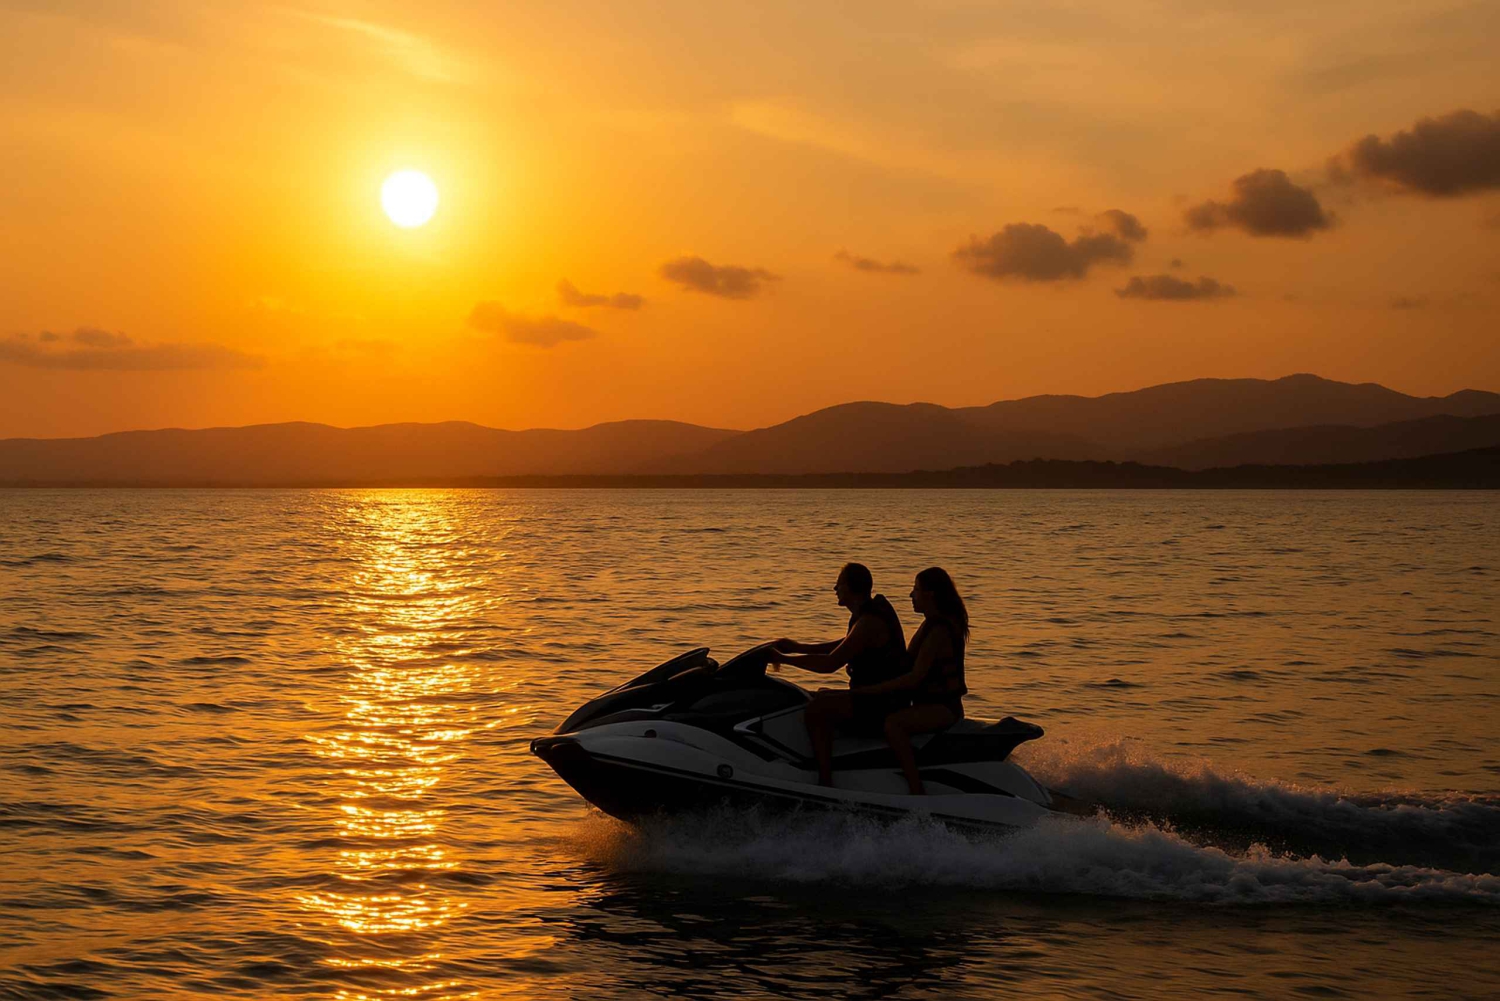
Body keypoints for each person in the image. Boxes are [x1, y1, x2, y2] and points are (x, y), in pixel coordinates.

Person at [766, 563, 908, 787]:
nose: (835, 588)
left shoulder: (869, 622)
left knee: (817, 710)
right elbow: (842, 646)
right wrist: (797, 647)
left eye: (839, 583)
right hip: (872, 696)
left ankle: (825, 781)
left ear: (851, 587)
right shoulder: (865, 615)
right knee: (815, 695)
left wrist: (783, 659)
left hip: (882, 703)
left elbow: (830, 663)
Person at [852, 567, 969, 795]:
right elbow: (904, 663)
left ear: (930, 594)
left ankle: (916, 789)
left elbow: (915, 677)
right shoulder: (930, 623)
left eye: (916, 589)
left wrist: (871, 690)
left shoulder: (939, 630)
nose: (911, 595)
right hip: (930, 704)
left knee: (893, 724)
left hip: (943, 707)